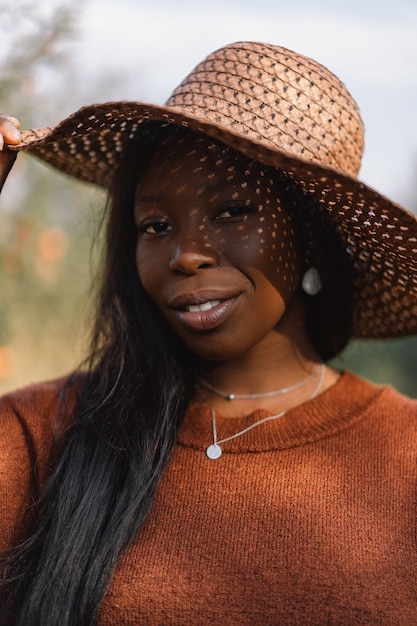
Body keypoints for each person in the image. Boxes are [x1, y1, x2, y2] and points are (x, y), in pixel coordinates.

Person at [0, 40, 417, 626]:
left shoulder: (406, 452)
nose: (185, 254)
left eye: (231, 212)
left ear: (311, 238)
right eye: (156, 224)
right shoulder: (40, 437)